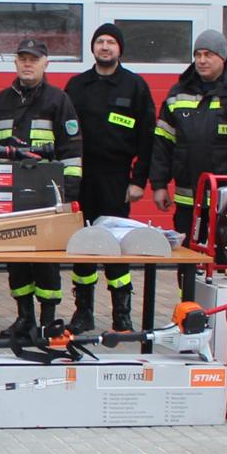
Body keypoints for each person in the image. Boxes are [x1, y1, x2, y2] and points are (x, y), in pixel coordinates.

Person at [150, 29, 227, 298]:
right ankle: (188, 308)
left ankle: (222, 312)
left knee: (226, 258)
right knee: (188, 259)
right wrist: (158, 185)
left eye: (208, 55)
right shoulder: (178, 92)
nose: (202, 60)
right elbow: (162, 142)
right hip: (187, 199)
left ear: (223, 57)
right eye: (198, 55)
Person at [62, 23, 156, 332]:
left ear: (119, 50)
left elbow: (147, 138)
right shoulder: (76, 86)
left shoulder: (134, 87)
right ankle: (83, 311)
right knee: (84, 245)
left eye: (111, 42)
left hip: (117, 178)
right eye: (100, 41)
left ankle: (121, 313)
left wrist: (138, 181)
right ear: (93, 48)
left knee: (116, 245)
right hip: (81, 177)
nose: (105, 47)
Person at [0, 38, 83, 341]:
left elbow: (71, 152)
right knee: (16, 261)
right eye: (22, 58)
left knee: (45, 263)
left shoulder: (59, 100)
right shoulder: (2, 100)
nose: (27, 64)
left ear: (46, 63)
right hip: (12, 195)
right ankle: (24, 318)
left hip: (48, 196)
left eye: (34, 59)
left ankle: (47, 321)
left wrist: (67, 196)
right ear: (15, 62)